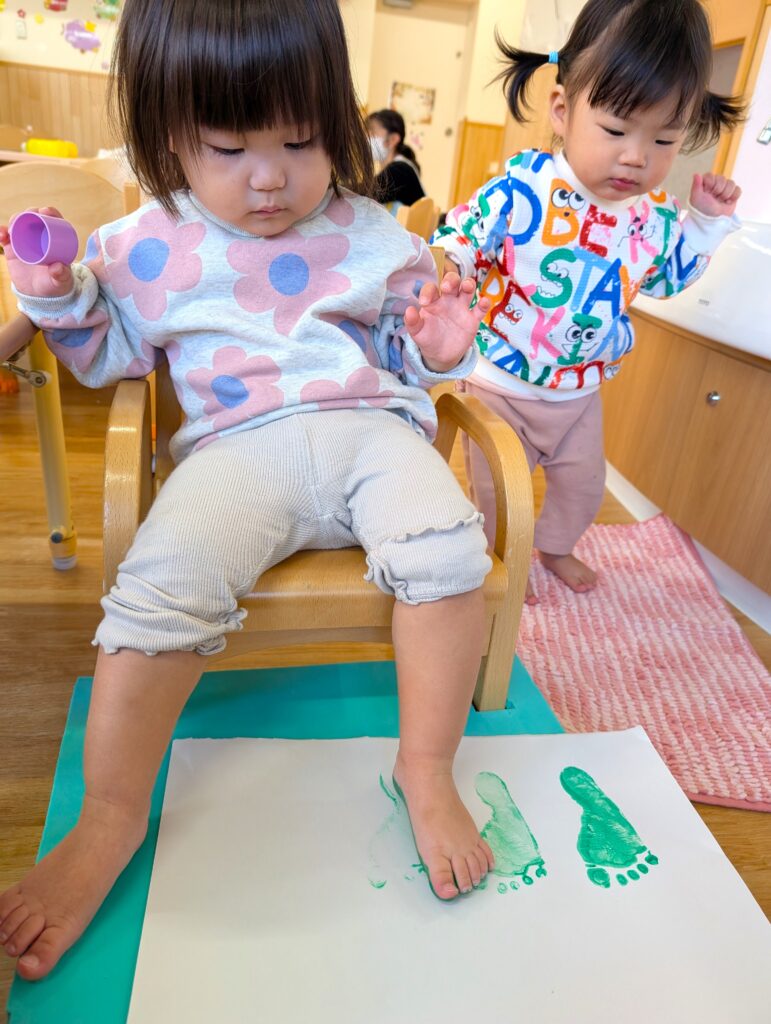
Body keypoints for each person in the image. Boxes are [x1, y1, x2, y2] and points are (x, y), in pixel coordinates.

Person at [0, 0, 496, 981]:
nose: (270, 175)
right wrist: (55, 290)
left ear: (333, 118)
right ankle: (109, 818)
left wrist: (439, 344)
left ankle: (426, 767)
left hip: (369, 426)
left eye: (302, 139)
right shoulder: (146, 241)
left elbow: (411, 343)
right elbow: (107, 359)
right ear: (170, 137)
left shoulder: (370, 229)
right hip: (234, 449)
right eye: (228, 146)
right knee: (152, 594)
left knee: (448, 547)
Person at [432, 0, 743, 603]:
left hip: (580, 393)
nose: (636, 156)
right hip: (502, 382)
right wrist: (450, 267)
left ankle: (554, 546)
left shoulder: (653, 217)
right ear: (563, 109)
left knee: (582, 487)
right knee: (501, 491)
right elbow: (466, 232)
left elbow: (666, 280)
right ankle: (501, 558)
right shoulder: (527, 186)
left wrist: (705, 223)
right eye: (616, 130)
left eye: (664, 139)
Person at [368, 109, 426, 208]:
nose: (366, 139)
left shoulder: (400, 170)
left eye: (372, 134)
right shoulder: (401, 167)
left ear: (393, 139)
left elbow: (361, 193)